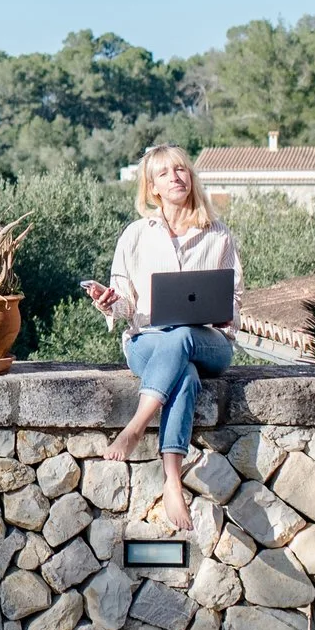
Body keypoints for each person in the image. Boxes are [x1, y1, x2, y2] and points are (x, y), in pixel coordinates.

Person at [84, 144, 239, 532]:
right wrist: (108, 303)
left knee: (185, 334)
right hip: (147, 341)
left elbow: (234, 297)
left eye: (181, 170)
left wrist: (221, 312)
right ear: (152, 186)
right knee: (182, 373)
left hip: (208, 341)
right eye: (165, 173)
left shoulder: (218, 234)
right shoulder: (136, 235)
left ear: (191, 177)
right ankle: (172, 480)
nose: (176, 177)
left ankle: (135, 428)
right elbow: (124, 304)